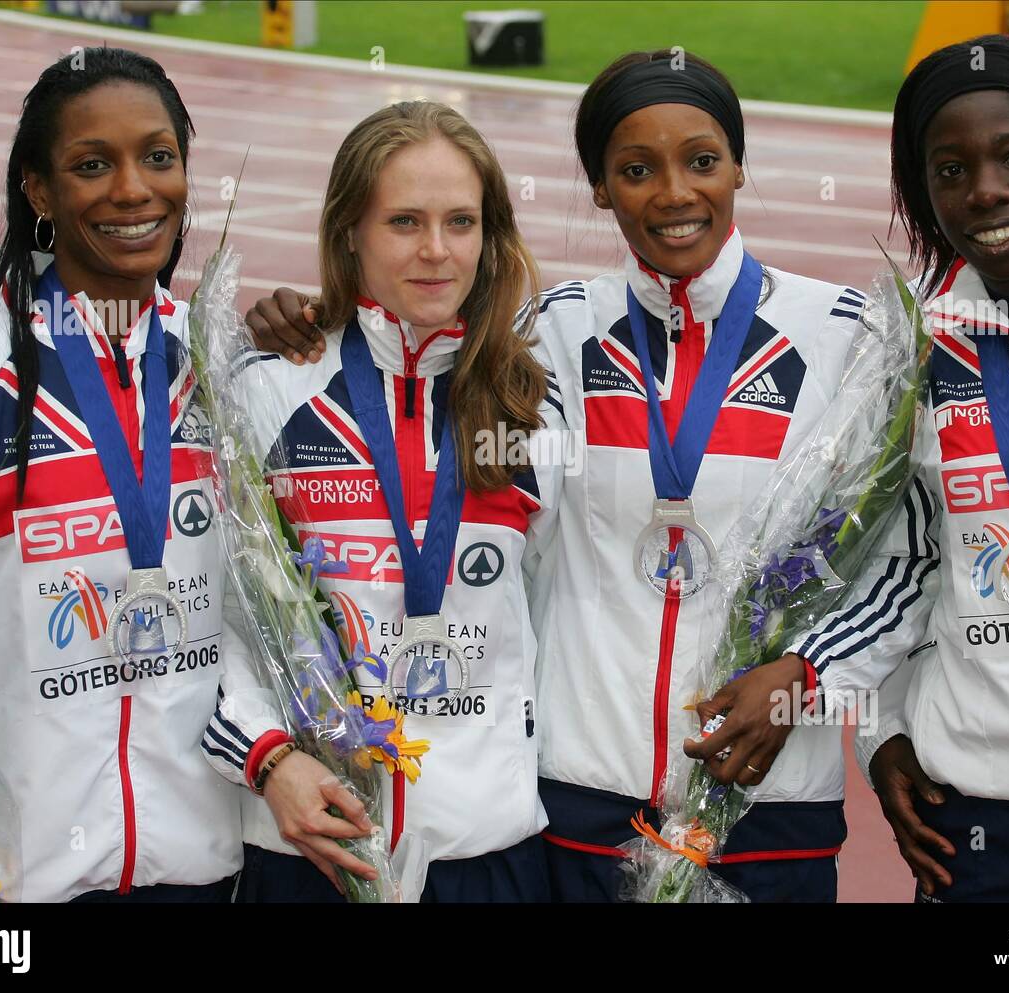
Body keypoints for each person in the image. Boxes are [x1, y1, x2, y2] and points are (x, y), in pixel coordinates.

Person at [247, 51, 866, 903]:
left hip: (767, 795)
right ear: (601, 187)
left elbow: (898, 551)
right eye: (636, 170)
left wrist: (812, 665)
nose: (675, 192)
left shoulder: (844, 334)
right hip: (577, 801)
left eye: (703, 160)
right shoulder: (556, 339)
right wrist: (315, 322)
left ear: (740, 166)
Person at [704, 34, 1009, 902]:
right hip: (979, 815)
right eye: (949, 170)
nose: (986, 190)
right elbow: (898, 565)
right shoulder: (909, 344)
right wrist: (854, 706)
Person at [0, 47, 246, 902]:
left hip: (205, 869)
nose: (132, 190)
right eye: (92, 164)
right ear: (38, 191)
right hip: (0, 886)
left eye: (159, 156)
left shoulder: (225, 367)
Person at [206, 101, 561, 902]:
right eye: (404, 221)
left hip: (488, 853)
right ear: (349, 233)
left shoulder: (535, 405)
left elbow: (557, 606)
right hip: (310, 846)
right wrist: (267, 757)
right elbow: (219, 616)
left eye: (460, 221)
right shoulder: (267, 390)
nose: (437, 251)